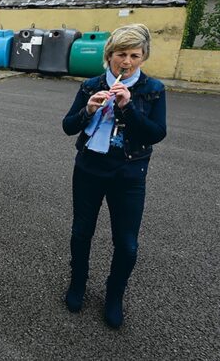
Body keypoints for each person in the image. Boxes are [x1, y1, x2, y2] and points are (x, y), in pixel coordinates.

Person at [61, 24, 167, 328]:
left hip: (129, 174)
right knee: (82, 233)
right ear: (109, 56)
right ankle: (78, 283)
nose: (128, 62)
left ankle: (114, 294)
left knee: (127, 243)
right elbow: (68, 126)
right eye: (121, 54)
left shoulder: (153, 89)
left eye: (135, 55)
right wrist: (89, 111)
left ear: (143, 56)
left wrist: (128, 107)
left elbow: (157, 134)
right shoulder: (91, 85)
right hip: (89, 170)